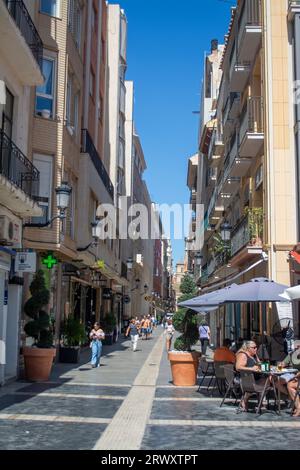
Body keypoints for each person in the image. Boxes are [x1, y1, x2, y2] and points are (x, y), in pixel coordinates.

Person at [235, 340, 268, 411]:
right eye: (254, 347)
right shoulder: (243, 355)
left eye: (256, 347)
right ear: (248, 348)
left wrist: (266, 366)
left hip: (256, 378)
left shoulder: (254, 355)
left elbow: (259, 364)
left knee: (271, 378)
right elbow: (238, 367)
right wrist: (251, 368)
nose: (256, 349)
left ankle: (259, 401)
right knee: (269, 381)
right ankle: (260, 401)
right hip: (247, 380)